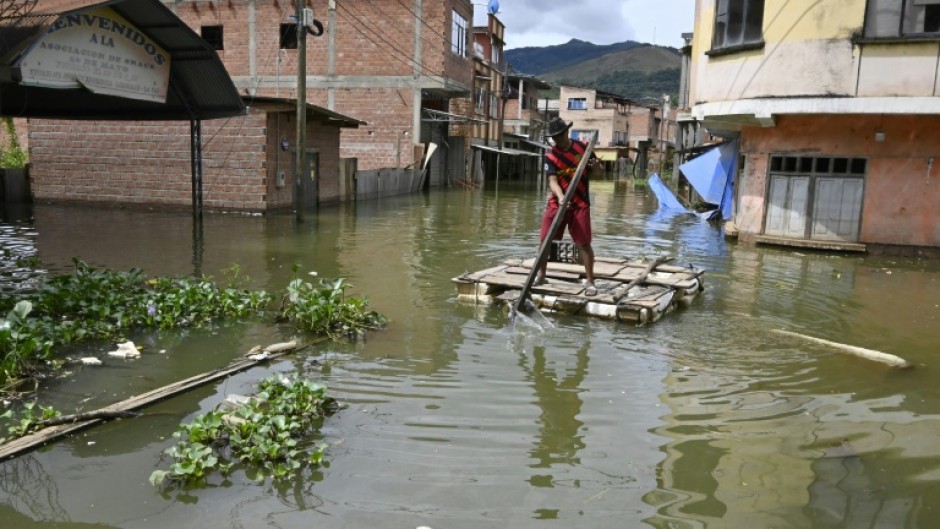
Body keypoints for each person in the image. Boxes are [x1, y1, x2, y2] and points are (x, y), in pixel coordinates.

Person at [535, 117, 603, 296]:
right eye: (554, 137)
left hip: (580, 204)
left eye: (559, 135)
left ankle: (590, 281)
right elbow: (552, 181)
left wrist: (596, 167)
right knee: (545, 240)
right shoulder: (550, 155)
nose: (557, 140)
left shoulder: (583, 149)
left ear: (566, 132)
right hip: (557, 204)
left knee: (583, 243)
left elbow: (597, 172)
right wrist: (561, 197)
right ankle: (541, 275)